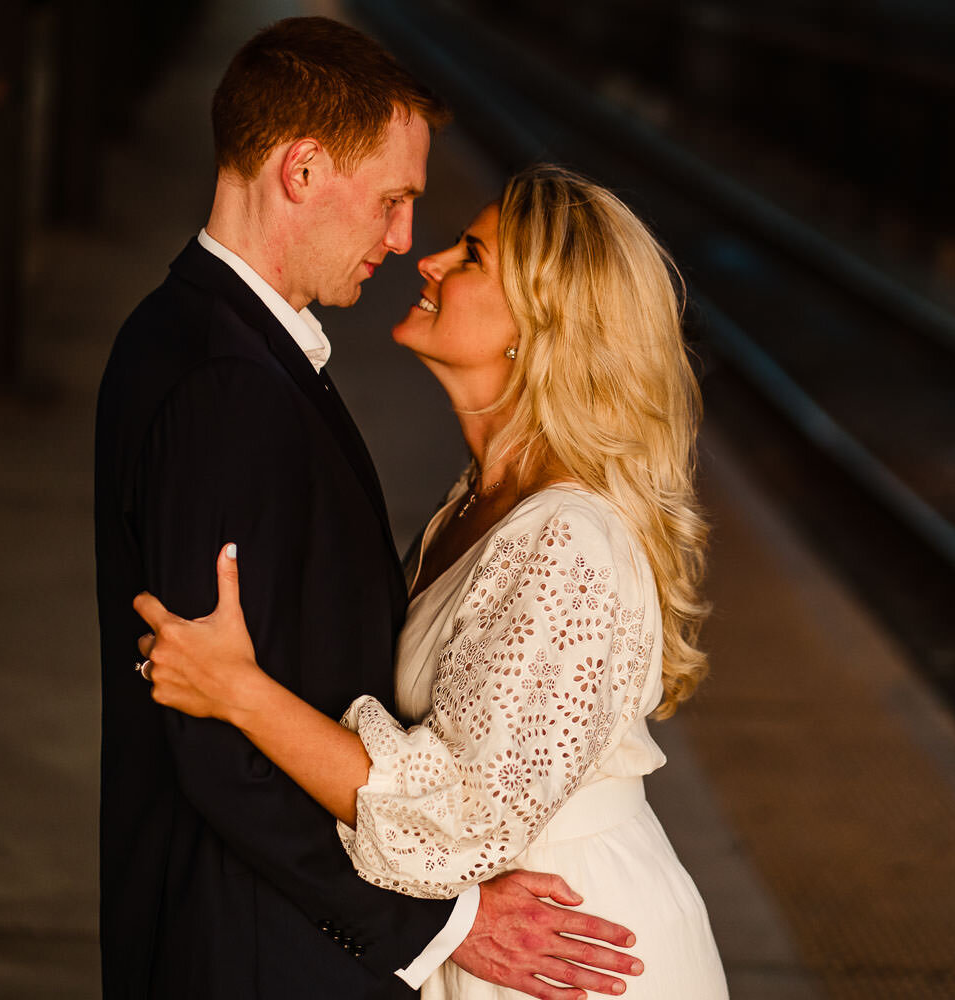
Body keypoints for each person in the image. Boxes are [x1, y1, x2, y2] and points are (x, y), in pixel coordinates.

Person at [94, 19, 639, 1000]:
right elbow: (211, 743)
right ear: (301, 170)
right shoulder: (227, 383)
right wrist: (436, 926)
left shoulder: (222, 347)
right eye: (394, 201)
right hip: (258, 949)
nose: (404, 242)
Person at [132, 164, 731, 999]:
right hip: (510, 931)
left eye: (472, 255)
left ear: (540, 324)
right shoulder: (478, 504)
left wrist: (238, 691)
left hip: (566, 947)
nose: (429, 259)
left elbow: (455, 823)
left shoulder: (571, 541)